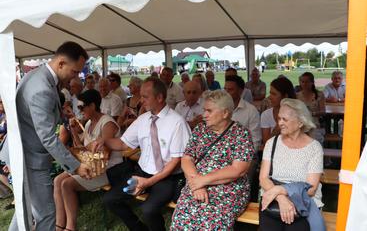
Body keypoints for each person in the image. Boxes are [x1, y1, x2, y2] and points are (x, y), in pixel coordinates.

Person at [8, 41, 91, 231]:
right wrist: (76, 167)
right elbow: (47, 138)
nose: (76, 77)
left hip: (23, 150)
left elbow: (37, 113)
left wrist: (61, 115)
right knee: (46, 214)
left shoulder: (37, 75)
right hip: (29, 157)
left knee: (26, 208)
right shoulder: (42, 88)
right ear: (61, 63)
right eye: (75, 72)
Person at [97, 77, 191, 231]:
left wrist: (148, 183)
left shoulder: (177, 122)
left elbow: (176, 161)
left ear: (159, 97)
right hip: (142, 174)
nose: (141, 100)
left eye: (145, 97)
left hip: (166, 177)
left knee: (148, 209)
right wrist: (104, 141)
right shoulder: (143, 119)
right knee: (111, 199)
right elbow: (122, 143)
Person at [171, 90, 255, 230]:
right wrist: (197, 182)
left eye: (209, 111)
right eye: (204, 110)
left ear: (225, 113)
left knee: (211, 224)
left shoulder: (241, 133)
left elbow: (238, 170)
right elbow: (187, 158)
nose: (204, 115)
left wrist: (203, 181)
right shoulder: (200, 129)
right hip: (195, 183)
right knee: (180, 222)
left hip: (228, 190)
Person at [54, 89, 122, 231]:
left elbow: (104, 153)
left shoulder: (108, 123)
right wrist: (73, 129)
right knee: (57, 180)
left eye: (81, 107)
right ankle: (59, 224)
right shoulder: (88, 124)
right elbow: (81, 149)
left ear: (92, 106)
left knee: (66, 184)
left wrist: (87, 149)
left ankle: (70, 227)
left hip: (108, 169)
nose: (79, 110)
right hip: (92, 166)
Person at [259, 98, 324, 230]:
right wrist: (281, 198)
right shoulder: (272, 143)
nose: (279, 123)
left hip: (302, 200)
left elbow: (311, 189)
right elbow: (263, 178)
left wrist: (281, 190)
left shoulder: (314, 147)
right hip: (272, 199)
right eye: (279, 119)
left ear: (300, 123)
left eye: (285, 119)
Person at [224, 75, 261, 150]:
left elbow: (256, 141)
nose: (226, 93)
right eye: (225, 89)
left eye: (230, 90)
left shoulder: (251, 111)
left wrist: (240, 157)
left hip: (243, 155)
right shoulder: (218, 108)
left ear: (241, 91)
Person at [261, 77, 296, 149]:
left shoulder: (297, 114)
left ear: (285, 96)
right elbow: (266, 144)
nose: (270, 97)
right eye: (270, 93)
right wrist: (277, 128)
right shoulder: (266, 115)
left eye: (274, 94)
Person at [296, 72, 326, 144]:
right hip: (301, 125)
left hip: (315, 125)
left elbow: (323, 112)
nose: (304, 84)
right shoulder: (297, 95)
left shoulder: (319, 95)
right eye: (302, 82)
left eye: (307, 82)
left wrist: (311, 113)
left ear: (312, 82)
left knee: (314, 140)